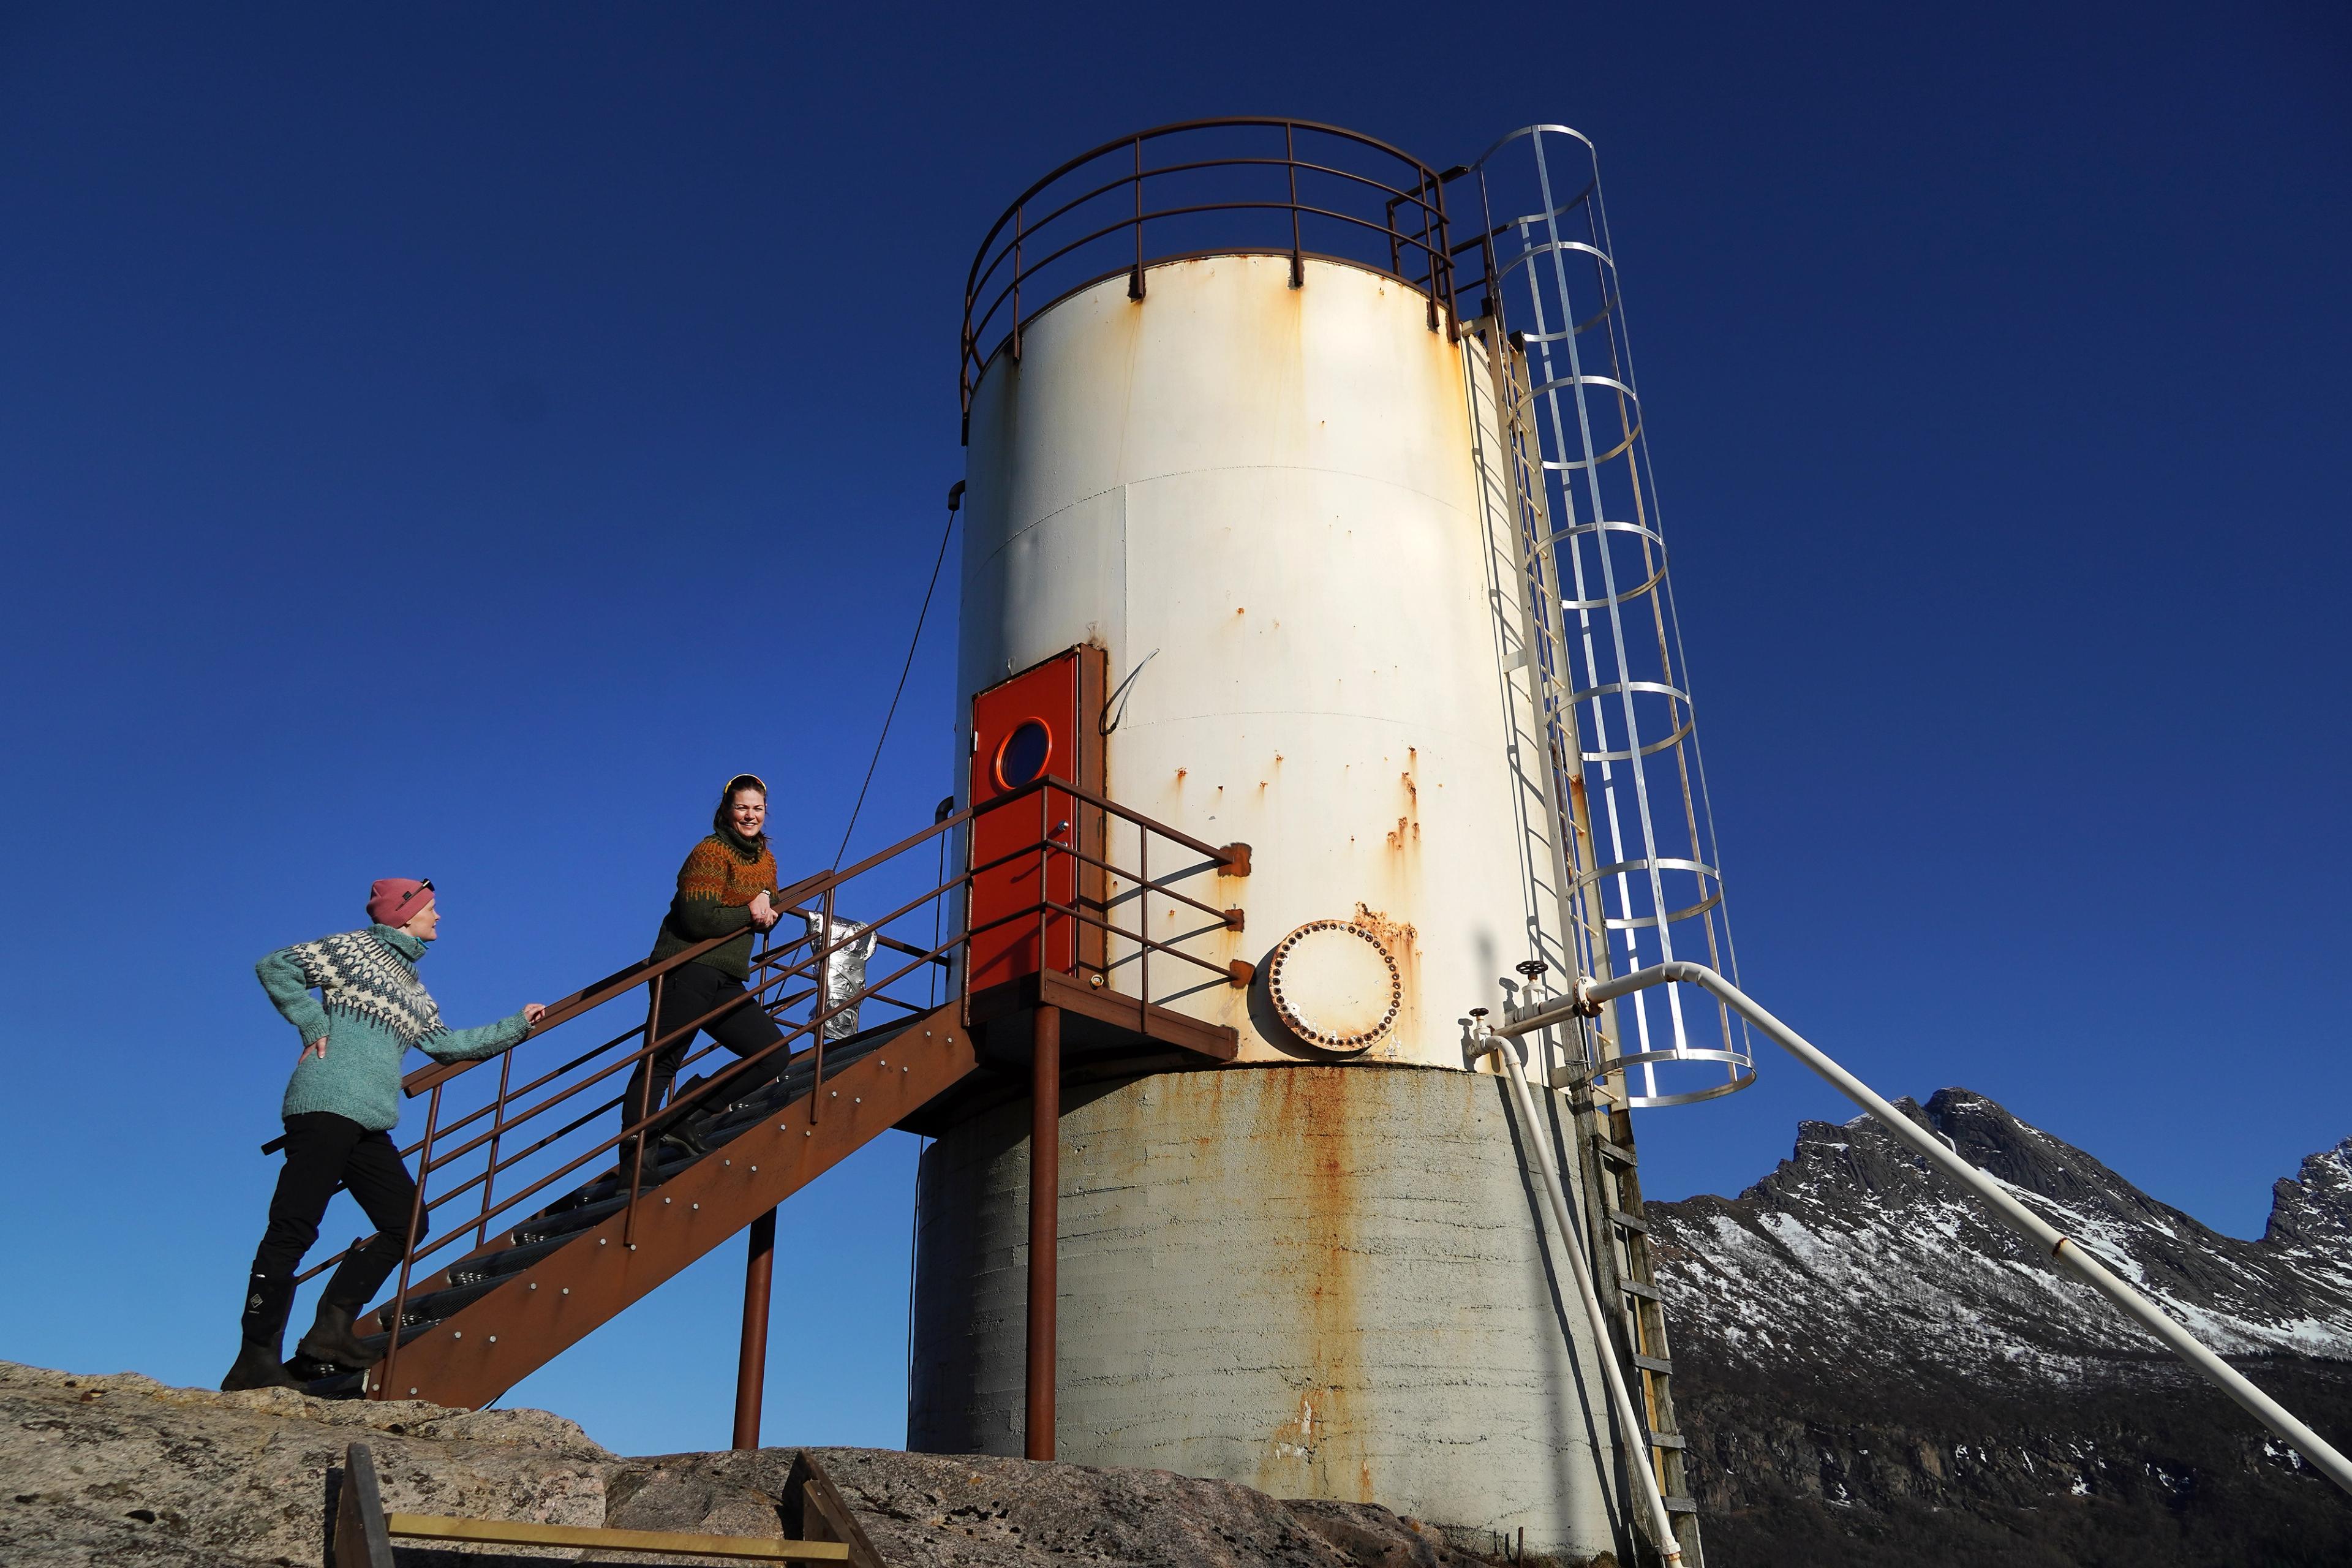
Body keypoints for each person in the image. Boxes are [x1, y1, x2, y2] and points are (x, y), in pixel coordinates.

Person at [225, 878, 545, 1393]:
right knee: (294, 1227)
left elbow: (446, 1045)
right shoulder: (354, 948)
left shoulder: (415, 989)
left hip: (370, 1119)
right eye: (431, 909)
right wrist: (312, 1024)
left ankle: (329, 1331)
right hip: (324, 1104)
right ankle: (254, 1358)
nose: (438, 918)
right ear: (404, 914)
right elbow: (275, 966)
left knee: (408, 1222)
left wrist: (517, 1025)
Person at [623, 774, 790, 1164]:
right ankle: (635, 1162)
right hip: (687, 967)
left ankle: (686, 1115)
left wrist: (767, 900)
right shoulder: (711, 852)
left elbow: (769, 904)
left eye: (758, 809)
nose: (751, 816)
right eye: (742, 808)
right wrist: (750, 910)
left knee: (772, 1054)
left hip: (727, 977)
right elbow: (699, 919)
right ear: (727, 810)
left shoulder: (765, 860)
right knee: (661, 1062)